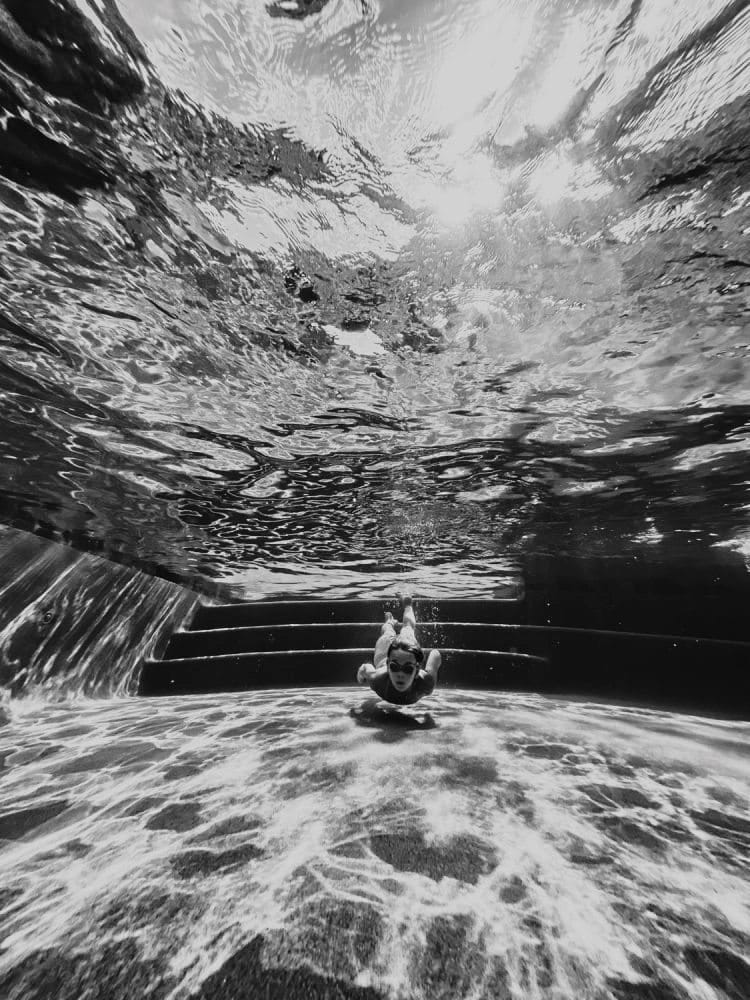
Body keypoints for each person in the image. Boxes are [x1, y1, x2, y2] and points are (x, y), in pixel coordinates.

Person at [356, 597, 442, 705]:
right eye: (394, 667)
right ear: (388, 666)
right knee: (387, 632)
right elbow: (365, 668)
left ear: (416, 671)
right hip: (383, 656)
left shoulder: (425, 683)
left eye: (408, 669)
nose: (400, 674)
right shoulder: (377, 680)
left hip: (405, 649)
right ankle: (389, 622)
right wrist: (360, 674)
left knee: (408, 627)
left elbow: (435, 654)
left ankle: (408, 604)